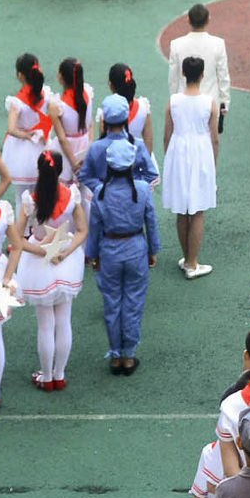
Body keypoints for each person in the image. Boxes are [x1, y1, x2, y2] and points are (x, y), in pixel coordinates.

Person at [85, 137, 158, 374]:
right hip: (136, 248)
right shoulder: (143, 190)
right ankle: (129, 354)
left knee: (112, 302)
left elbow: (94, 227)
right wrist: (152, 250)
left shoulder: (99, 192)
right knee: (134, 302)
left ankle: (115, 354)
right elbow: (151, 222)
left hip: (109, 250)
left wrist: (92, 255)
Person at [16, 159, 87, 390]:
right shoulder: (71, 196)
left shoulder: (30, 200)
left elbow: (17, 240)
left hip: (39, 265)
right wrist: (64, 253)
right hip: (66, 261)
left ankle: (46, 377)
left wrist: (43, 251)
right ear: (60, 171)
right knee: (64, 321)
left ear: (39, 171)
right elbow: (82, 230)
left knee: (45, 325)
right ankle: (59, 374)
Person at [163, 55, 220, 277]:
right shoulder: (210, 102)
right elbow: (215, 137)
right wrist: (213, 163)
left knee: (181, 209)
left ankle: (188, 258)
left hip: (179, 151)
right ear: (203, 74)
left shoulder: (173, 100)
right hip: (200, 152)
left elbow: (167, 135)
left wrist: (170, 158)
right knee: (197, 210)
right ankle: (192, 262)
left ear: (183, 74)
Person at [167, 2, 232, 142]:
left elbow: (173, 78)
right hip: (210, 103)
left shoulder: (176, 45)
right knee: (208, 144)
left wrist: (174, 99)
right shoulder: (218, 44)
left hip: (183, 102)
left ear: (188, 20)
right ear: (208, 19)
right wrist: (224, 103)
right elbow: (223, 76)